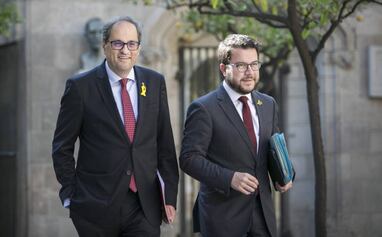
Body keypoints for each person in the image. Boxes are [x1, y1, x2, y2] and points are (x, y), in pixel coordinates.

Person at [52, 16, 179, 237]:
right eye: (117, 43)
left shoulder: (154, 82)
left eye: (132, 44)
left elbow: (165, 143)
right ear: (105, 46)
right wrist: (71, 195)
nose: (125, 50)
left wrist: (169, 196)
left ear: (138, 48)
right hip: (96, 207)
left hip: (144, 205)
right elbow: (62, 147)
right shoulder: (80, 88)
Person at [179, 34, 293, 237]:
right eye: (241, 66)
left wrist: (284, 175)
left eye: (254, 64)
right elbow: (189, 159)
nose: (249, 72)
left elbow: (273, 149)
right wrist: (229, 178)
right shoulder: (203, 108)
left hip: (263, 216)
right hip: (222, 217)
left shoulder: (268, 104)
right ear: (224, 69)